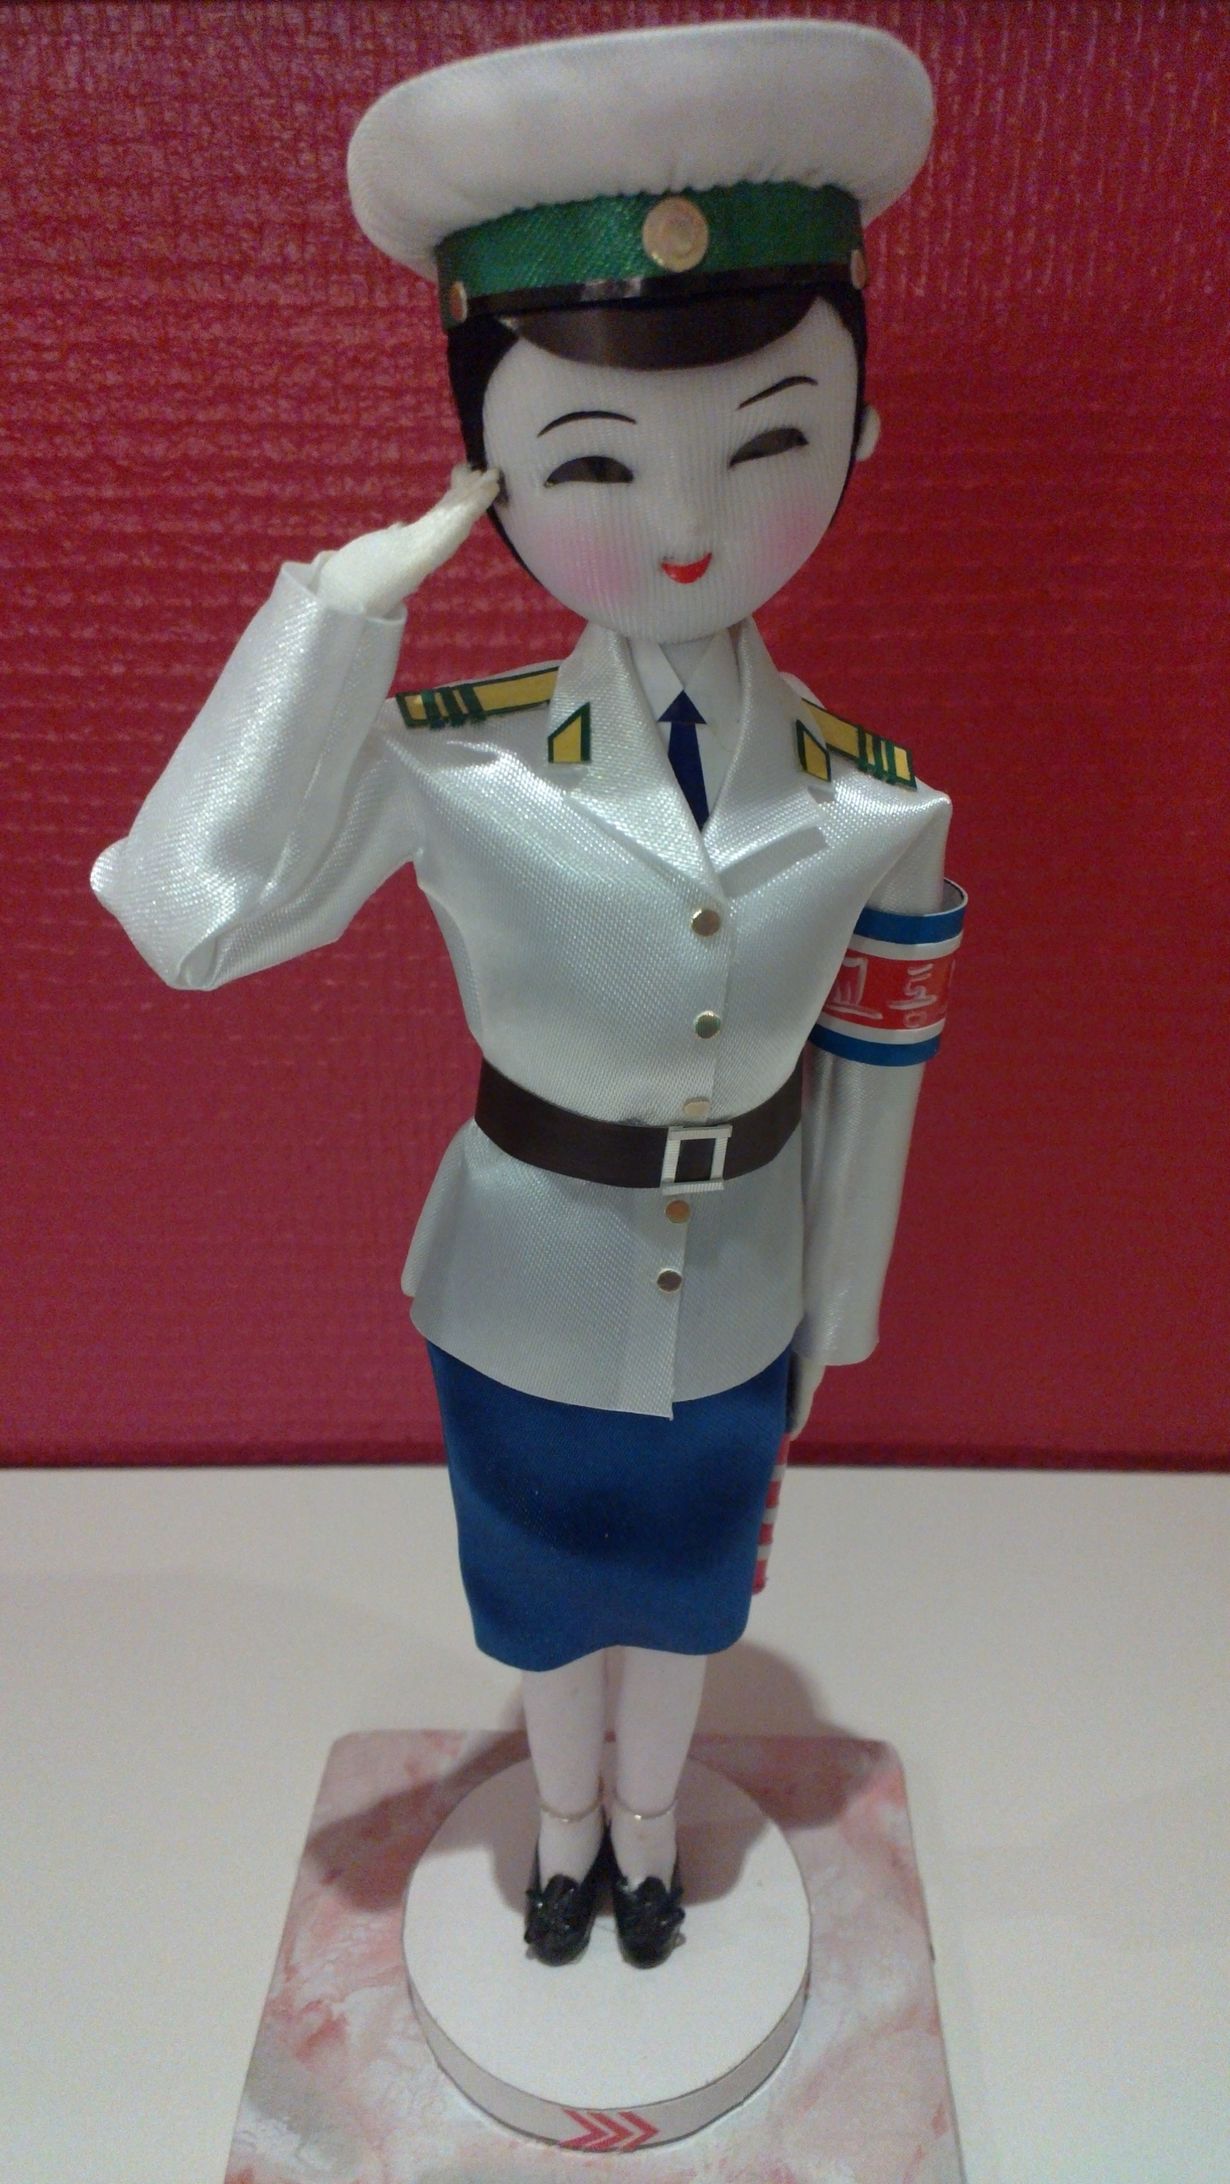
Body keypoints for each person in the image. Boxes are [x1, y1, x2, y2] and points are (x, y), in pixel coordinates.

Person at [92, 20, 964, 1970]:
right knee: (540, 1597)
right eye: (588, 458)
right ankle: (561, 1839)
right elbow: (186, 915)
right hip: (516, 1281)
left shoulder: (878, 804)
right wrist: (332, 621)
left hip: (740, 1287)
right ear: (488, 477)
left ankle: (652, 1846)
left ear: (856, 435)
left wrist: (836, 1307)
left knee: (691, 1603)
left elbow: (873, 1078)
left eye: (767, 440)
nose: (682, 521)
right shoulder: (453, 762)